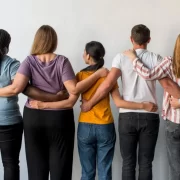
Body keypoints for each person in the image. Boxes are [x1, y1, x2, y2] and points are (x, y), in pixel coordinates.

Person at [30, 41, 157, 180]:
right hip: (105, 126)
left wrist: (44, 104)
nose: (83, 54)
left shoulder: (80, 76)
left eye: (84, 52)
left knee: (87, 173)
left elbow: (69, 102)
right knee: (104, 173)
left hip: (85, 125)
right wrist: (143, 105)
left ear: (88, 56)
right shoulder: (108, 75)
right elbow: (118, 101)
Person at [0, 25, 109, 180]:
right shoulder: (62, 61)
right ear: (54, 41)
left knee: (36, 171)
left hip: (33, 117)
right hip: (59, 119)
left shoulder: (29, 61)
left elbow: (16, 87)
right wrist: (97, 74)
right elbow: (74, 89)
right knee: (61, 170)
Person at [79, 24, 180, 180]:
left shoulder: (121, 57)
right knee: (146, 163)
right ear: (149, 40)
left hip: (127, 117)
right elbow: (166, 85)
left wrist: (89, 103)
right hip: (149, 114)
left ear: (131, 39)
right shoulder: (156, 58)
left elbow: (106, 85)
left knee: (128, 163)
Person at [123, 34, 180, 180]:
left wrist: (133, 58)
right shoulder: (162, 60)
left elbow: (148, 74)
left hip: (174, 121)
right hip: (161, 120)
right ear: (148, 40)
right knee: (148, 163)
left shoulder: (169, 62)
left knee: (176, 168)